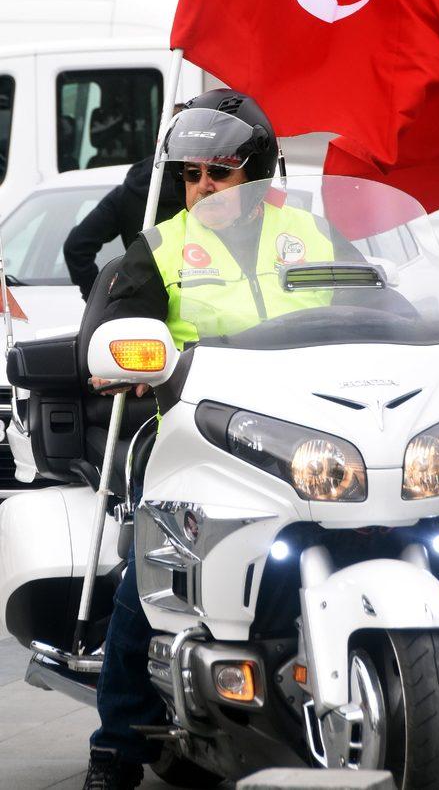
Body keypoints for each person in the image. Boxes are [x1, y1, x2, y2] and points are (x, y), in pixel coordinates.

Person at [82, 89, 344, 790]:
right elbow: (115, 320)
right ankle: (114, 744)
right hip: (199, 438)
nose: (202, 188)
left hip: (313, 430)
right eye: (192, 175)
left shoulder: (314, 232)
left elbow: (380, 296)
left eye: (218, 172)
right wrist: (125, 356)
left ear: (257, 174)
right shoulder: (165, 245)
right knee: (151, 570)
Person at [63, 105, 186, 301]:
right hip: (199, 306)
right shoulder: (210, 192)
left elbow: (76, 246)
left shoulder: (129, 191)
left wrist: (100, 300)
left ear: (158, 142)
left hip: (142, 305)